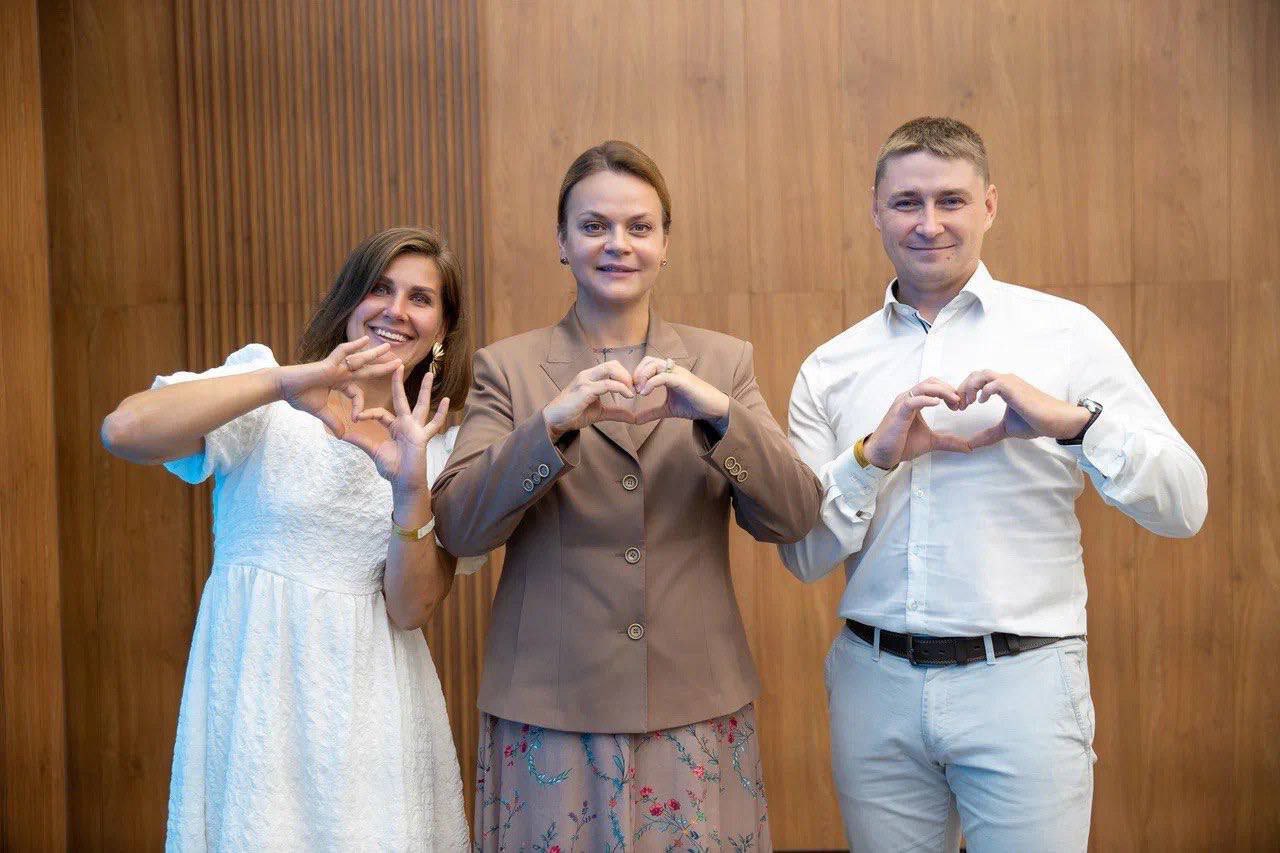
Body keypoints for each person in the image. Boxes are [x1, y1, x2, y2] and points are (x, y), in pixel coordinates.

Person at [779, 117, 1208, 852]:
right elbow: (805, 555)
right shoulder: (829, 367)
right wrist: (871, 459)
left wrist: (1074, 424)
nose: (929, 223)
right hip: (873, 688)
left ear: (990, 205)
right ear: (876, 210)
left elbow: (1185, 504)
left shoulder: (1067, 334)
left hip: (1024, 685)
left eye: (951, 200)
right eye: (907, 202)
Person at [431, 140, 822, 851]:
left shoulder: (723, 361)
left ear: (666, 243)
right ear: (562, 241)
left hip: (695, 702)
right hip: (549, 709)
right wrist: (549, 425)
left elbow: (795, 513)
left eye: (640, 226)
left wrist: (718, 414)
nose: (618, 243)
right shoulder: (507, 368)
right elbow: (459, 527)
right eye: (594, 226)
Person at [100, 227, 480, 851]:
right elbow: (124, 430)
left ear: (442, 329)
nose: (396, 311)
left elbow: (411, 609)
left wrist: (409, 485)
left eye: (420, 298)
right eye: (380, 289)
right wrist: (282, 383)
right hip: (254, 696)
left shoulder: (443, 452)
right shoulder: (268, 397)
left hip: (375, 710)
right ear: (349, 300)